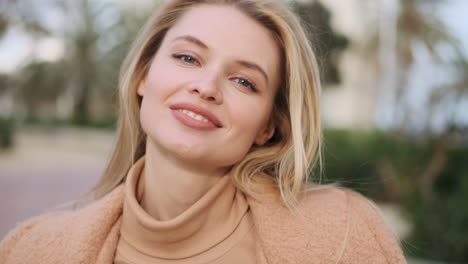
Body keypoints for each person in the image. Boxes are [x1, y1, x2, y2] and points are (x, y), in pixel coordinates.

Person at [0, 0, 407, 263]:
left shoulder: (345, 238)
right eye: (187, 57)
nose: (206, 87)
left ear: (269, 125)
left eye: (244, 81)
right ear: (144, 74)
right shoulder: (29, 251)